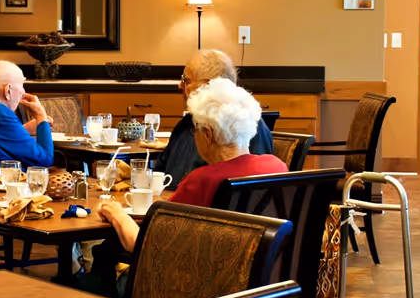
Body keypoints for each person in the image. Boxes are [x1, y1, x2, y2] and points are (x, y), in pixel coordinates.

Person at [97, 77, 286, 252]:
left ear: (208, 135)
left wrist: (117, 214)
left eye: (195, 129)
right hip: (266, 282)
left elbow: (145, 244)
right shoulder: (277, 167)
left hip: (196, 286)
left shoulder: (201, 181)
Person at [161, 48, 272, 185]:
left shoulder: (245, 127)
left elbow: (252, 190)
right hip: (166, 202)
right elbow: (160, 173)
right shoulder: (185, 124)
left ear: (208, 85)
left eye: (186, 80)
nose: (180, 86)